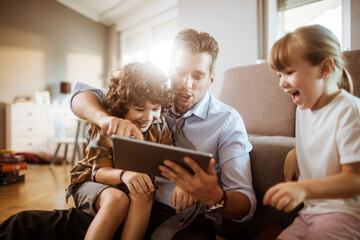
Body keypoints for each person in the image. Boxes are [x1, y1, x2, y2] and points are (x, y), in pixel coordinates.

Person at [71, 28, 256, 239]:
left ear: (210, 80)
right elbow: (81, 95)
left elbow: (246, 205)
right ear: (169, 71)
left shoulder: (227, 122)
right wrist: (105, 119)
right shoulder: (149, 97)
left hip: (181, 217)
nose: (186, 84)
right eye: (180, 73)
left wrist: (208, 193)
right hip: (120, 197)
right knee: (33, 225)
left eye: (198, 76)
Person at [66, 62, 196, 240]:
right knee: (116, 200)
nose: (148, 117)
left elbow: (166, 159)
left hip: (127, 183)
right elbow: (98, 172)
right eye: (139, 109)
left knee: (144, 192)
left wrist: (183, 181)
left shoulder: (158, 125)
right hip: (92, 180)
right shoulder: (108, 124)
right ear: (123, 105)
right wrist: (125, 175)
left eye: (155, 109)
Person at [263, 25, 360, 240]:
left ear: (324, 68)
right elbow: (322, 141)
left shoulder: (348, 110)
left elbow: (355, 180)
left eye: (289, 72)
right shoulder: (303, 109)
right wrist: (296, 152)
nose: (281, 83)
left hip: (345, 214)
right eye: (279, 75)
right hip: (309, 213)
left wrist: (304, 189)